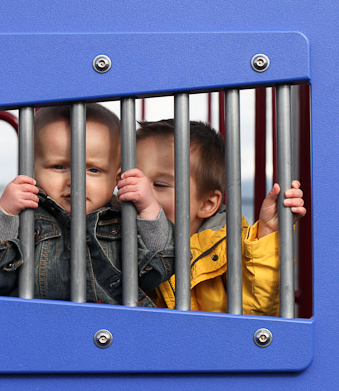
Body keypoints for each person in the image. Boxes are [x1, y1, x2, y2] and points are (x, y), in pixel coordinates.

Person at [0, 104, 174, 306]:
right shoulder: (26, 218)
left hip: (110, 330)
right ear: (31, 169)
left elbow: (156, 272)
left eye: (93, 170)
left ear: (117, 178)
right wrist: (5, 214)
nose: (75, 181)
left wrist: (149, 210)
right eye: (59, 166)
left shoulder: (125, 219)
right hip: (38, 328)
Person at [128, 119, 305, 315]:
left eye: (160, 185)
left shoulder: (229, 248)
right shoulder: (115, 238)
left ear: (207, 204)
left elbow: (255, 312)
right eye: (130, 180)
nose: (139, 193)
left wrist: (268, 231)